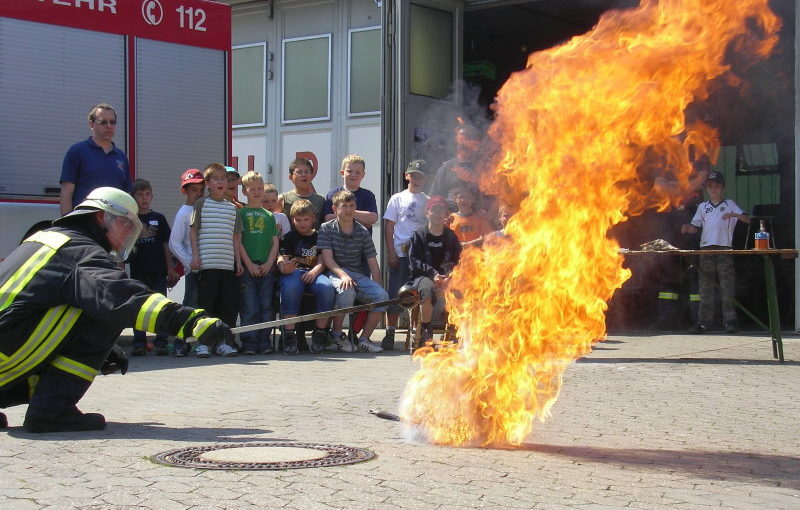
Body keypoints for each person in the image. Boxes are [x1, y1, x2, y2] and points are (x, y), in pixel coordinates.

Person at [0, 187, 233, 433]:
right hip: (7, 353)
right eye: (126, 226)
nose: (127, 236)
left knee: (94, 303)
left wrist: (102, 349)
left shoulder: (47, 239)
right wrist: (190, 322)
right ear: (102, 217)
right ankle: (52, 410)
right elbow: (123, 298)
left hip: (8, 352)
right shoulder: (79, 252)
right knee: (108, 311)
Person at [318, 190, 389, 353]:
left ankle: (364, 339)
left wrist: (378, 287)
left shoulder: (363, 231)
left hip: (357, 274)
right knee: (347, 292)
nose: (349, 210)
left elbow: (372, 262)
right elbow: (328, 260)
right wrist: (344, 276)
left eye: (352, 206)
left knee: (382, 296)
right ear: (335, 209)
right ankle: (336, 335)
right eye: (344, 206)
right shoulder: (326, 228)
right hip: (335, 272)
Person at [681, 171, 749, 334]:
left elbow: (748, 219)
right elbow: (695, 227)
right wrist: (687, 228)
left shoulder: (730, 204)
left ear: (722, 188)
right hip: (706, 250)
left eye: (716, 186)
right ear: (706, 189)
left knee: (727, 286)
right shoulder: (703, 207)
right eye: (710, 187)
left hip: (724, 249)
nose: (713, 189)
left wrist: (733, 215)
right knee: (705, 287)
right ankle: (704, 322)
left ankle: (730, 321)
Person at [190, 163, 243, 357]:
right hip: (207, 265)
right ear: (208, 184)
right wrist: (195, 256)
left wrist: (238, 262)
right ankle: (203, 343)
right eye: (216, 179)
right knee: (206, 306)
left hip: (227, 266)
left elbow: (236, 237)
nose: (221, 183)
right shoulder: (201, 204)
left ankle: (224, 343)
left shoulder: (233, 208)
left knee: (227, 306)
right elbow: (193, 230)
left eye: (224, 179)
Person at [382, 160, 430, 350]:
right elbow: (389, 226)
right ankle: (390, 332)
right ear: (407, 176)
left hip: (418, 256)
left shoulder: (428, 200)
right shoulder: (397, 198)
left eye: (421, 176)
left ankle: (415, 335)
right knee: (395, 293)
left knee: (417, 295)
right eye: (414, 175)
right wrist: (391, 252)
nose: (417, 179)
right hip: (400, 255)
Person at [277, 199, 336, 354]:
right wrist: (285, 266)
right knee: (291, 287)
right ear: (292, 220)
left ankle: (320, 334)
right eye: (298, 220)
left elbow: (323, 259)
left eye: (306, 219)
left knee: (327, 288)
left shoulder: (320, 236)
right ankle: (289, 335)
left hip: (314, 272)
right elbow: (283, 258)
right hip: (294, 272)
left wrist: (315, 271)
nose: (302, 223)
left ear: (313, 219)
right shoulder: (288, 237)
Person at [128, 179, 179, 356]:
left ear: (152, 196)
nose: (144, 198)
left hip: (158, 271)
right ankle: (139, 342)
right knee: (139, 307)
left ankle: (161, 341)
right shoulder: (130, 220)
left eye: (147, 194)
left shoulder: (158, 218)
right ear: (133, 197)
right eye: (140, 195)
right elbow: (124, 246)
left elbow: (166, 245)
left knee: (161, 306)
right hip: (138, 272)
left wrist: (170, 269)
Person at [407, 196, 462, 344]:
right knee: (427, 290)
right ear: (427, 213)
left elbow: (457, 259)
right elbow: (414, 261)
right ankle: (426, 330)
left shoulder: (451, 236)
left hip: (447, 276)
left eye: (441, 211)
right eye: (434, 210)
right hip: (423, 276)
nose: (438, 214)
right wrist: (434, 274)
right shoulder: (419, 235)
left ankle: (455, 327)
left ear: (446, 214)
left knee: (459, 290)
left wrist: (449, 274)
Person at [60, 103, 132, 215]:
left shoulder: (121, 157)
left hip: (113, 226)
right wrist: (67, 224)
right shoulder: (77, 151)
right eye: (103, 122)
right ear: (91, 124)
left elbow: (126, 195)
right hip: (83, 222)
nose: (109, 126)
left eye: (112, 122)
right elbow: (66, 193)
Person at [237, 171, 279, 355]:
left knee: (266, 306)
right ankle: (249, 343)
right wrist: (249, 264)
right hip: (249, 268)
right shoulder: (241, 213)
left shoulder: (269, 215)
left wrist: (269, 264)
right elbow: (238, 241)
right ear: (244, 191)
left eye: (260, 188)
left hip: (266, 267)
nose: (257, 192)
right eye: (252, 189)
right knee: (249, 306)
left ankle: (264, 342)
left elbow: (275, 241)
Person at [168, 168, 205, 317]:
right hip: (193, 269)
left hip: (206, 266)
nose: (198, 193)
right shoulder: (184, 213)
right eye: (194, 190)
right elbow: (174, 243)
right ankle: (181, 340)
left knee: (201, 305)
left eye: (201, 190)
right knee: (191, 304)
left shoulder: (203, 209)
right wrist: (189, 262)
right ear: (185, 191)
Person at [322, 154, 379, 232]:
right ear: (342, 173)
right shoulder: (333, 193)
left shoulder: (368, 195)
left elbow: (372, 218)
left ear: (363, 175)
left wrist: (342, 213)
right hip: (336, 242)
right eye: (349, 171)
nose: (353, 175)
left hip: (361, 242)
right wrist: (361, 219)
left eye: (357, 172)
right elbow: (328, 218)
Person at [429, 124, 481, 202]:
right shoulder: (446, 168)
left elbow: (491, 199)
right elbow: (433, 197)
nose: (464, 142)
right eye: (461, 138)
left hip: (476, 213)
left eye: (468, 138)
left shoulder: (483, 168)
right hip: (450, 212)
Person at [278, 158, 326, 227]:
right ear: (291, 177)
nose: (304, 175)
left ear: (311, 175)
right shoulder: (283, 199)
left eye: (306, 172)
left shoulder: (321, 200)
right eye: (299, 172)